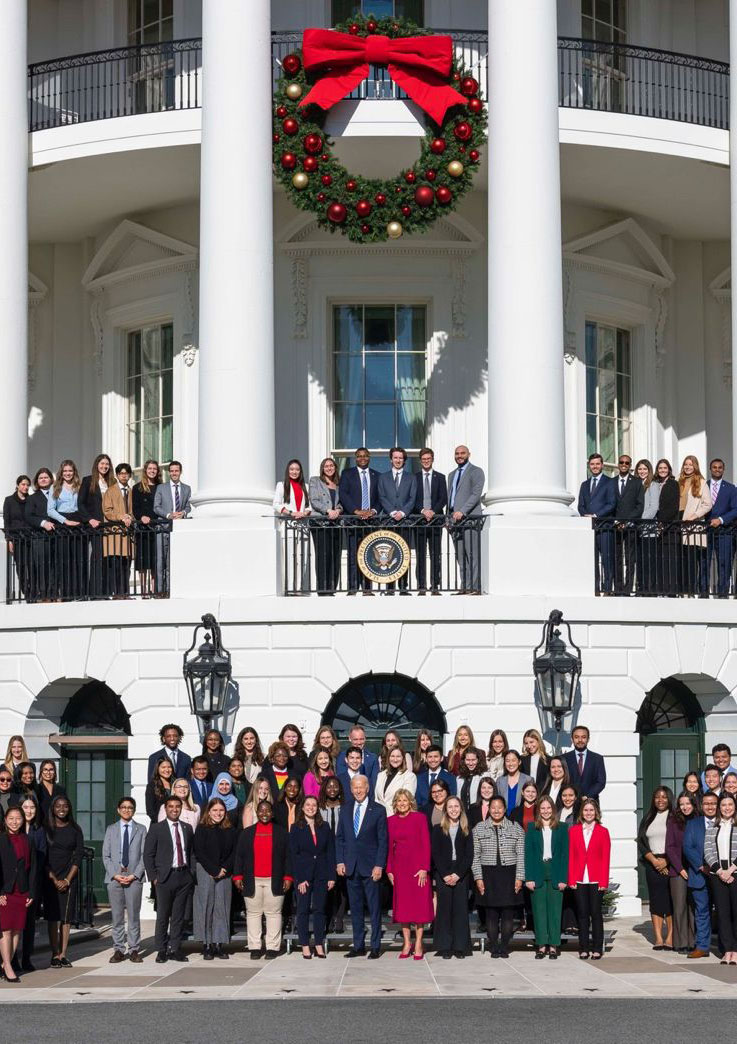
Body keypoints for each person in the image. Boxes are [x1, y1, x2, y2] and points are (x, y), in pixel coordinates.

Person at [336, 774, 388, 959]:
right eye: (355, 787)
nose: (358, 790)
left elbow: (383, 841)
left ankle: (375, 946)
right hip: (351, 867)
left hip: (371, 867)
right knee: (355, 909)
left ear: (367, 788)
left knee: (374, 909)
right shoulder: (345, 809)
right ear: (351, 789)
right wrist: (340, 861)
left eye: (361, 787)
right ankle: (358, 945)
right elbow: (340, 838)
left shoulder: (378, 810)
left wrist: (379, 865)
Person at [233, 800, 292, 959]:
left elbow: (288, 857)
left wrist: (288, 877)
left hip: (275, 879)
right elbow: (239, 856)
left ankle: (272, 947)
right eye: (261, 811)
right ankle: (255, 947)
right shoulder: (246, 833)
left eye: (267, 811)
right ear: (256, 813)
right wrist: (237, 876)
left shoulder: (281, 833)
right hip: (252, 880)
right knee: (253, 914)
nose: (264, 814)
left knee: (273, 914)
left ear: (272, 814)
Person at [143, 795, 195, 963]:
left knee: (179, 916)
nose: (174, 809)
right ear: (166, 809)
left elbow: (191, 852)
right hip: (164, 878)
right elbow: (148, 855)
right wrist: (154, 878)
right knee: (163, 915)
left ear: (181, 808)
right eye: (171, 806)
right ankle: (161, 949)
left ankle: (175, 948)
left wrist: (191, 873)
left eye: (177, 806)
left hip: (183, 876)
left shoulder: (187, 828)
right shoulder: (157, 828)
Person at [472, 795, 525, 958]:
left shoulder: (516, 828)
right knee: (491, 913)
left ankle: (504, 946)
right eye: (493, 807)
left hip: (509, 873)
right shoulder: (479, 828)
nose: (496, 810)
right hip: (488, 874)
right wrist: (478, 878)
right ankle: (494, 945)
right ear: (489, 809)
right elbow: (475, 856)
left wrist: (519, 877)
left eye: (500, 807)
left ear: (504, 809)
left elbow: (521, 854)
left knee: (508, 913)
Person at [387, 789, 433, 959]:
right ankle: (407, 943)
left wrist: (424, 868)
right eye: (398, 801)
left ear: (410, 802)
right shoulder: (390, 821)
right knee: (404, 908)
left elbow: (426, 844)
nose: (402, 804)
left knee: (419, 908)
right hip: (400, 869)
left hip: (418, 869)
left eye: (404, 800)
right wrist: (389, 870)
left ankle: (419, 943)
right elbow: (389, 848)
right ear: (395, 804)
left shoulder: (420, 818)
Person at [289, 794, 336, 959]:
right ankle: (304, 945)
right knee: (302, 909)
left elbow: (330, 852)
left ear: (318, 808)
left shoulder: (325, 827)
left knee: (319, 909)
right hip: (304, 875)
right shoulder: (296, 828)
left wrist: (332, 876)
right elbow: (294, 856)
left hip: (322, 873)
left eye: (314, 805)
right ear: (302, 808)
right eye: (308, 805)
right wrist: (300, 878)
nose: (311, 807)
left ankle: (318, 943)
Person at [102, 797, 146, 964]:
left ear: (134, 810)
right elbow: (106, 855)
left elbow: (144, 856)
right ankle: (119, 949)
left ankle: (134, 949)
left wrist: (135, 874)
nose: (127, 810)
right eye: (124, 807)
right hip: (115, 878)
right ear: (118, 810)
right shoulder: (111, 829)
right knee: (117, 916)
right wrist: (115, 874)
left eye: (130, 808)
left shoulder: (141, 829)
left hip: (134, 877)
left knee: (134, 915)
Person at [524, 796, 569, 959]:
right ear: (538, 811)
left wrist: (564, 878)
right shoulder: (531, 828)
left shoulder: (562, 828)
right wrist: (528, 877)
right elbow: (528, 854)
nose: (545, 811)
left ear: (553, 810)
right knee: (539, 910)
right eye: (542, 808)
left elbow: (565, 855)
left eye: (548, 808)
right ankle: (542, 944)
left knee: (555, 910)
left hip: (556, 871)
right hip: (537, 871)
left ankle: (554, 945)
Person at [193, 797, 237, 960]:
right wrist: (213, 869)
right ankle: (207, 944)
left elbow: (234, 851)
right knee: (205, 906)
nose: (218, 813)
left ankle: (219, 944)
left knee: (222, 907)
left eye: (221, 810)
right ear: (209, 812)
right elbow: (199, 851)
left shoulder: (230, 829)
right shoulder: (202, 828)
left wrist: (224, 869)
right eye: (215, 810)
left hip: (224, 872)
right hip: (205, 870)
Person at [567, 798, 611, 960]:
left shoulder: (603, 831)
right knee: (582, 914)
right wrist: (571, 879)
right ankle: (584, 947)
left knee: (595, 913)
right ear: (581, 813)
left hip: (596, 879)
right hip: (579, 879)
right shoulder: (574, 831)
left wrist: (603, 881)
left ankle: (597, 947)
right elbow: (571, 856)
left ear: (597, 812)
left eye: (591, 810)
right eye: (586, 810)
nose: (589, 813)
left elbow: (605, 858)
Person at [44, 795, 84, 968]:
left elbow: (78, 856)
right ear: (53, 808)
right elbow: (42, 857)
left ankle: (63, 954)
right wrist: (53, 879)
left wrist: (67, 879)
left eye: (65, 806)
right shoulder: (45, 829)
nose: (62, 809)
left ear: (69, 808)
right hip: (50, 878)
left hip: (69, 878)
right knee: (53, 918)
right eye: (58, 806)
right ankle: (54, 954)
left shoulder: (75, 829)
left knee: (66, 918)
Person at [431, 796, 473, 958]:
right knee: (444, 910)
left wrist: (458, 874)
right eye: (450, 807)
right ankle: (445, 946)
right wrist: (445, 874)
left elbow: (469, 855)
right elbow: (436, 854)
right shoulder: (437, 828)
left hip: (461, 873)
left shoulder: (467, 828)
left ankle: (460, 947)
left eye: (456, 806)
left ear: (461, 809)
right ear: (446, 810)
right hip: (444, 873)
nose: (454, 809)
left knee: (460, 910)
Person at [338, 447, 381, 594]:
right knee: (353, 555)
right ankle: (352, 587)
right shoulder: (347, 474)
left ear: (369, 458)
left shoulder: (377, 475)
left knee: (368, 555)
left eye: (365, 456)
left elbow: (380, 497)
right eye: (359, 456)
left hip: (371, 521)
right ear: (355, 458)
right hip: (353, 521)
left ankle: (367, 589)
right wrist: (356, 511)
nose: (362, 458)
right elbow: (343, 494)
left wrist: (373, 511)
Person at [0, 806, 35, 982]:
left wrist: (31, 892)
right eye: (11, 818)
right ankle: (8, 965)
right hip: (5, 891)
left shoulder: (28, 840)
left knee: (16, 931)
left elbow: (33, 868)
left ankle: (4, 964)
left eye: (18, 818)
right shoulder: (1, 840)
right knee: (5, 930)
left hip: (22, 890)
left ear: (23, 820)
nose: (15, 822)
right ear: (5, 820)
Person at [638, 785, 675, 950]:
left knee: (671, 901)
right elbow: (641, 841)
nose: (660, 800)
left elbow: (678, 842)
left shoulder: (675, 817)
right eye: (657, 797)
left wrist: (666, 861)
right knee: (656, 901)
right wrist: (654, 861)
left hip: (671, 864)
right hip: (652, 865)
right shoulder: (648, 818)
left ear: (669, 799)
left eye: (664, 797)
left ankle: (670, 937)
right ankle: (659, 938)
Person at [683, 790, 718, 959]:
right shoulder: (693, 824)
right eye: (707, 804)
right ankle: (702, 947)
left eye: (713, 803)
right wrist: (702, 866)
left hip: (721, 876)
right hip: (699, 875)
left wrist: (716, 867)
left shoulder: (725, 823)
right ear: (702, 806)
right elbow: (687, 847)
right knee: (702, 912)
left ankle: (728, 947)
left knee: (725, 912)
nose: (710, 807)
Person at [377, 446, 416, 594]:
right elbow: (382, 497)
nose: (398, 460)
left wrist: (403, 512)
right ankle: (390, 587)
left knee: (404, 554)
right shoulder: (383, 477)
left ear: (404, 460)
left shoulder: (411, 477)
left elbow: (412, 498)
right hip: (389, 521)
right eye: (395, 457)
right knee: (389, 554)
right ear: (391, 459)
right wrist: (392, 512)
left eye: (400, 458)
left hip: (405, 522)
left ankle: (403, 586)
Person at [704, 793, 737, 965]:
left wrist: (731, 870)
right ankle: (727, 950)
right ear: (719, 808)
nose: (727, 808)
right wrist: (720, 871)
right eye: (723, 805)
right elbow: (708, 851)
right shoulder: (712, 828)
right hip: (718, 875)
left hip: (735, 873)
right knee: (722, 914)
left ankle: (736, 950)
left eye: (730, 804)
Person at [447, 444, 484, 594]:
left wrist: (462, 511)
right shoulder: (451, 475)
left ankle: (474, 587)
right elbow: (451, 499)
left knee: (472, 555)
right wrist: (448, 519)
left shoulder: (476, 471)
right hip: (455, 522)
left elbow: (476, 495)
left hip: (469, 520)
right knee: (461, 557)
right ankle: (465, 586)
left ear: (469, 454)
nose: (459, 456)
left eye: (462, 453)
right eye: (457, 454)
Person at [578, 452, 616, 593]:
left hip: (604, 527)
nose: (595, 466)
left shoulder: (610, 482)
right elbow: (580, 505)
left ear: (602, 465)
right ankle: (595, 588)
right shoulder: (584, 484)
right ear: (589, 466)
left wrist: (595, 515)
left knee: (606, 559)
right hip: (589, 528)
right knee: (592, 560)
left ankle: (607, 589)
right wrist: (585, 515)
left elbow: (611, 504)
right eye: (592, 464)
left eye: (597, 464)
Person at [665, 790, 697, 954]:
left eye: (688, 803)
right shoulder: (673, 821)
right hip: (678, 870)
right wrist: (680, 869)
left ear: (693, 804)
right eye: (682, 804)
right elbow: (669, 847)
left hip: (696, 869)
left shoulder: (699, 819)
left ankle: (693, 941)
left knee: (693, 907)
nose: (685, 807)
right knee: (679, 907)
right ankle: (681, 942)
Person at [414, 447, 448, 594]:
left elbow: (443, 498)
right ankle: (421, 585)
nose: (426, 461)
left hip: (435, 521)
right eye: (423, 459)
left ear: (432, 459)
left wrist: (433, 511)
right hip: (420, 521)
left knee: (436, 554)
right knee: (420, 555)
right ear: (420, 461)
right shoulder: (414, 477)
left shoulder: (440, 477)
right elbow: (412, 499)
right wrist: (423, 511)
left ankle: (435, 586)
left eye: (428, 459)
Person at [308, 457, 344, 595]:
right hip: (320, 523)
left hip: (336, 523)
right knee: (323, 555)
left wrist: (338, 511)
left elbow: (341, 502)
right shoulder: (315, 481)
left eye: (331, 466)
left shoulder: (338, 484)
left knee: (335, 555)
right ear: (322, 469)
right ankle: (323, 589)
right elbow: (314, 500)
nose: (329, 468)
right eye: (326, 466)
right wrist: (328, 510)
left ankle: (332, 588)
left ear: (335, 468)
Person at [78, 453, 112, 597]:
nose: (104, 466)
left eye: (107, 464)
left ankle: (107, 590)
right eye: (102, 463)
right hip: (96, 525)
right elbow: (80, 503)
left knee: (109, 558)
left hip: (111, 525)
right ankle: (95, 592)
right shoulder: (88, 480)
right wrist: (89, 519)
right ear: (96, 465)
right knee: (97, 557)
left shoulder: (112, 482)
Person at [18, 797, 45, 973]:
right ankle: (11, 959)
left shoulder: (39, 831)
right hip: (14, 885)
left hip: (32, 883)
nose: (28, 810)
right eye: (25, 807)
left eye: (32, 807)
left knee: (29, 925)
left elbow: (41, 859)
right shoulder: (13, 830)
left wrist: (33, 889)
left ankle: (26, 958)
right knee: (13, 926)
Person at [679, 455, 712, 595]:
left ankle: (691, 590)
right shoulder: (678, 481)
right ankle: (682, 590)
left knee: (692, 559)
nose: (687, 467)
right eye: (686, 464)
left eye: (690, 465)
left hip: (692, 525)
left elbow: (707, 504)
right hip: (677, 522)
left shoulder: (701, 482)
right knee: (681, 559)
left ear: (695, 466)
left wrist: (694, 517)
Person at [318, 777, 347, 933]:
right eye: (329, 787)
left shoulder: (346, 807)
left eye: (335, 786)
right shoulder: (319, 807)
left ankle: (339, 918)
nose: (332, 789)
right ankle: (328, 918)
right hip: (325, 852)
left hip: (342, 850)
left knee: (342, 887)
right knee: (329, 886)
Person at [705, 458, 737, 597]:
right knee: (704, 563)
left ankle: (722, 593)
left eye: (720, 467)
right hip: (705, 531)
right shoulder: (703, 486)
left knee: (724, 563)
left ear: (723, 470)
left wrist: (721, 520)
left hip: (725, 532)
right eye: (714, 467)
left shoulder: (731, 488)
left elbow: (735, 509)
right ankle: (703, 593)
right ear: (710, 469)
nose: (717, 469)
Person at [613, 453, 644, 595]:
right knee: (617, 557)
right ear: (618, 464)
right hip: (615, 526)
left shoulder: (637, 482)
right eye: (621, 462)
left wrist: (626, 522)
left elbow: (640, 506)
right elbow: (610, 504)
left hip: (631, 526)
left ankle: (628, 587)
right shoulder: (611, 482)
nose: (624, 465)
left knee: (630, 558)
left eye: (627, 463)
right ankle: (618, 587)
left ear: (630, 466)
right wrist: (616, 521)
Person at [101, 462, 133, 597]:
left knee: (127, 563)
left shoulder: (130, 490)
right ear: (117, 475)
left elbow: (132, 510)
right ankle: (117, 592)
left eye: (126, 473)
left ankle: (125, 592)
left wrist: (130, 518)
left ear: (129, 475)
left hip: (127, 532)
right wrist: (121, 517)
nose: (124, 476)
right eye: (121, 473)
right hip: (114, 533)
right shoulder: (111, 490)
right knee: (116, 564)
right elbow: (107, 511)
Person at [131, 458, 161, 597]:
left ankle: (155, 589)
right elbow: (135, 508)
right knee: (143, 561)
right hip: (143, 528)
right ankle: (144, 590)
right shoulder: (137, 488)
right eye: (150, 468)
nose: (152, 471)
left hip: (157, 527)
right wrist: (141, 517)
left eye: (154, 469)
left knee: (156, 559)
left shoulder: (161, 486)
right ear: (145, 470)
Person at [26, 467, 57, 603]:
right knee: (42, 565)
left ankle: (55, 593)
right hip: (40, 536)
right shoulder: (33, 498)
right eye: (41, 478)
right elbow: (28, 516)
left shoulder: (57, 494)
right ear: (37, 481)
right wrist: (43, 523)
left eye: (46, 477)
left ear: (51, 479)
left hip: (57, 535)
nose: (44, 479)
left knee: (57, 565)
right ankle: (44, 594)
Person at [634, 459, 661, 595]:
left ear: (649, 470)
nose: (642, 471)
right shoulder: (635, 484)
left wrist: (639, 520)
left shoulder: (653, 485)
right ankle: (641, 587)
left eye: (644, 469)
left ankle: (650, 588)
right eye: (639, 469)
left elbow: (654, 507)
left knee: (648, 559)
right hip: (636, 529)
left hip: (648, 529)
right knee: (639, 559)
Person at [3, 474, 31, 602]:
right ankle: (26, 590)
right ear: (18, 485)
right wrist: (9, 540)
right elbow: (7, 521)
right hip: (16, 539)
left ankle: (33, 590)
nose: (25, 487)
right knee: (20, 566)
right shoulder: (9, 500)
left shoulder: (31, 500)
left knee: (32, 566)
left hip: (30, 538)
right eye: (23, 484)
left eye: (27, 485)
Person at [655, 458, 681, 595]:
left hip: (669, 528)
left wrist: (661, 523)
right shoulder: (655, 484)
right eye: (660, 468)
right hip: (655, 528)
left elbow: (673, 507)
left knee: (670, 561)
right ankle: (660, 589)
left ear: (669, 470)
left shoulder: (673, 484)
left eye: (665, 468)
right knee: (659, 560)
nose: (662, 470)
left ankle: (671, 590)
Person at [563, 726, 607, 800]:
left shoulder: (597, 759)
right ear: (572, 739)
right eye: (576, 737)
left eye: (583, 737)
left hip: (591, 804)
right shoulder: (564, 758)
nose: (580, 740)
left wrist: (587, 797)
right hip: (570, 803)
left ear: (588, 739)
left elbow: (601, 782)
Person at [375, 747, 416, 816]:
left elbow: (406, 801)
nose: (395, 759)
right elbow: (376, 798)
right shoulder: (380, 775)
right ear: (388, 758)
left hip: (397, 817)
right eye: (392, 756)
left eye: (398, 756)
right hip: (380, 818)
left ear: (403, 758)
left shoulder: (409, 776)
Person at [414, 744, 456, 810]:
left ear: (441, 758)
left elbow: (451, 799)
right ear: (426, 758)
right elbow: (418, 802)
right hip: (424, 815)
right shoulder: (419, 778)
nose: (433, 759)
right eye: (430, 757)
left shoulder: (450, 778)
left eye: (436, 756)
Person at [458, 748, 487, 812]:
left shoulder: (484, 775)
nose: (470, 763)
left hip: (478, 813)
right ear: (464, 760)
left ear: (478, 760)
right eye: (468, 760)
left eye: (473, 760)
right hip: (463, 814)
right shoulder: (459, 778)